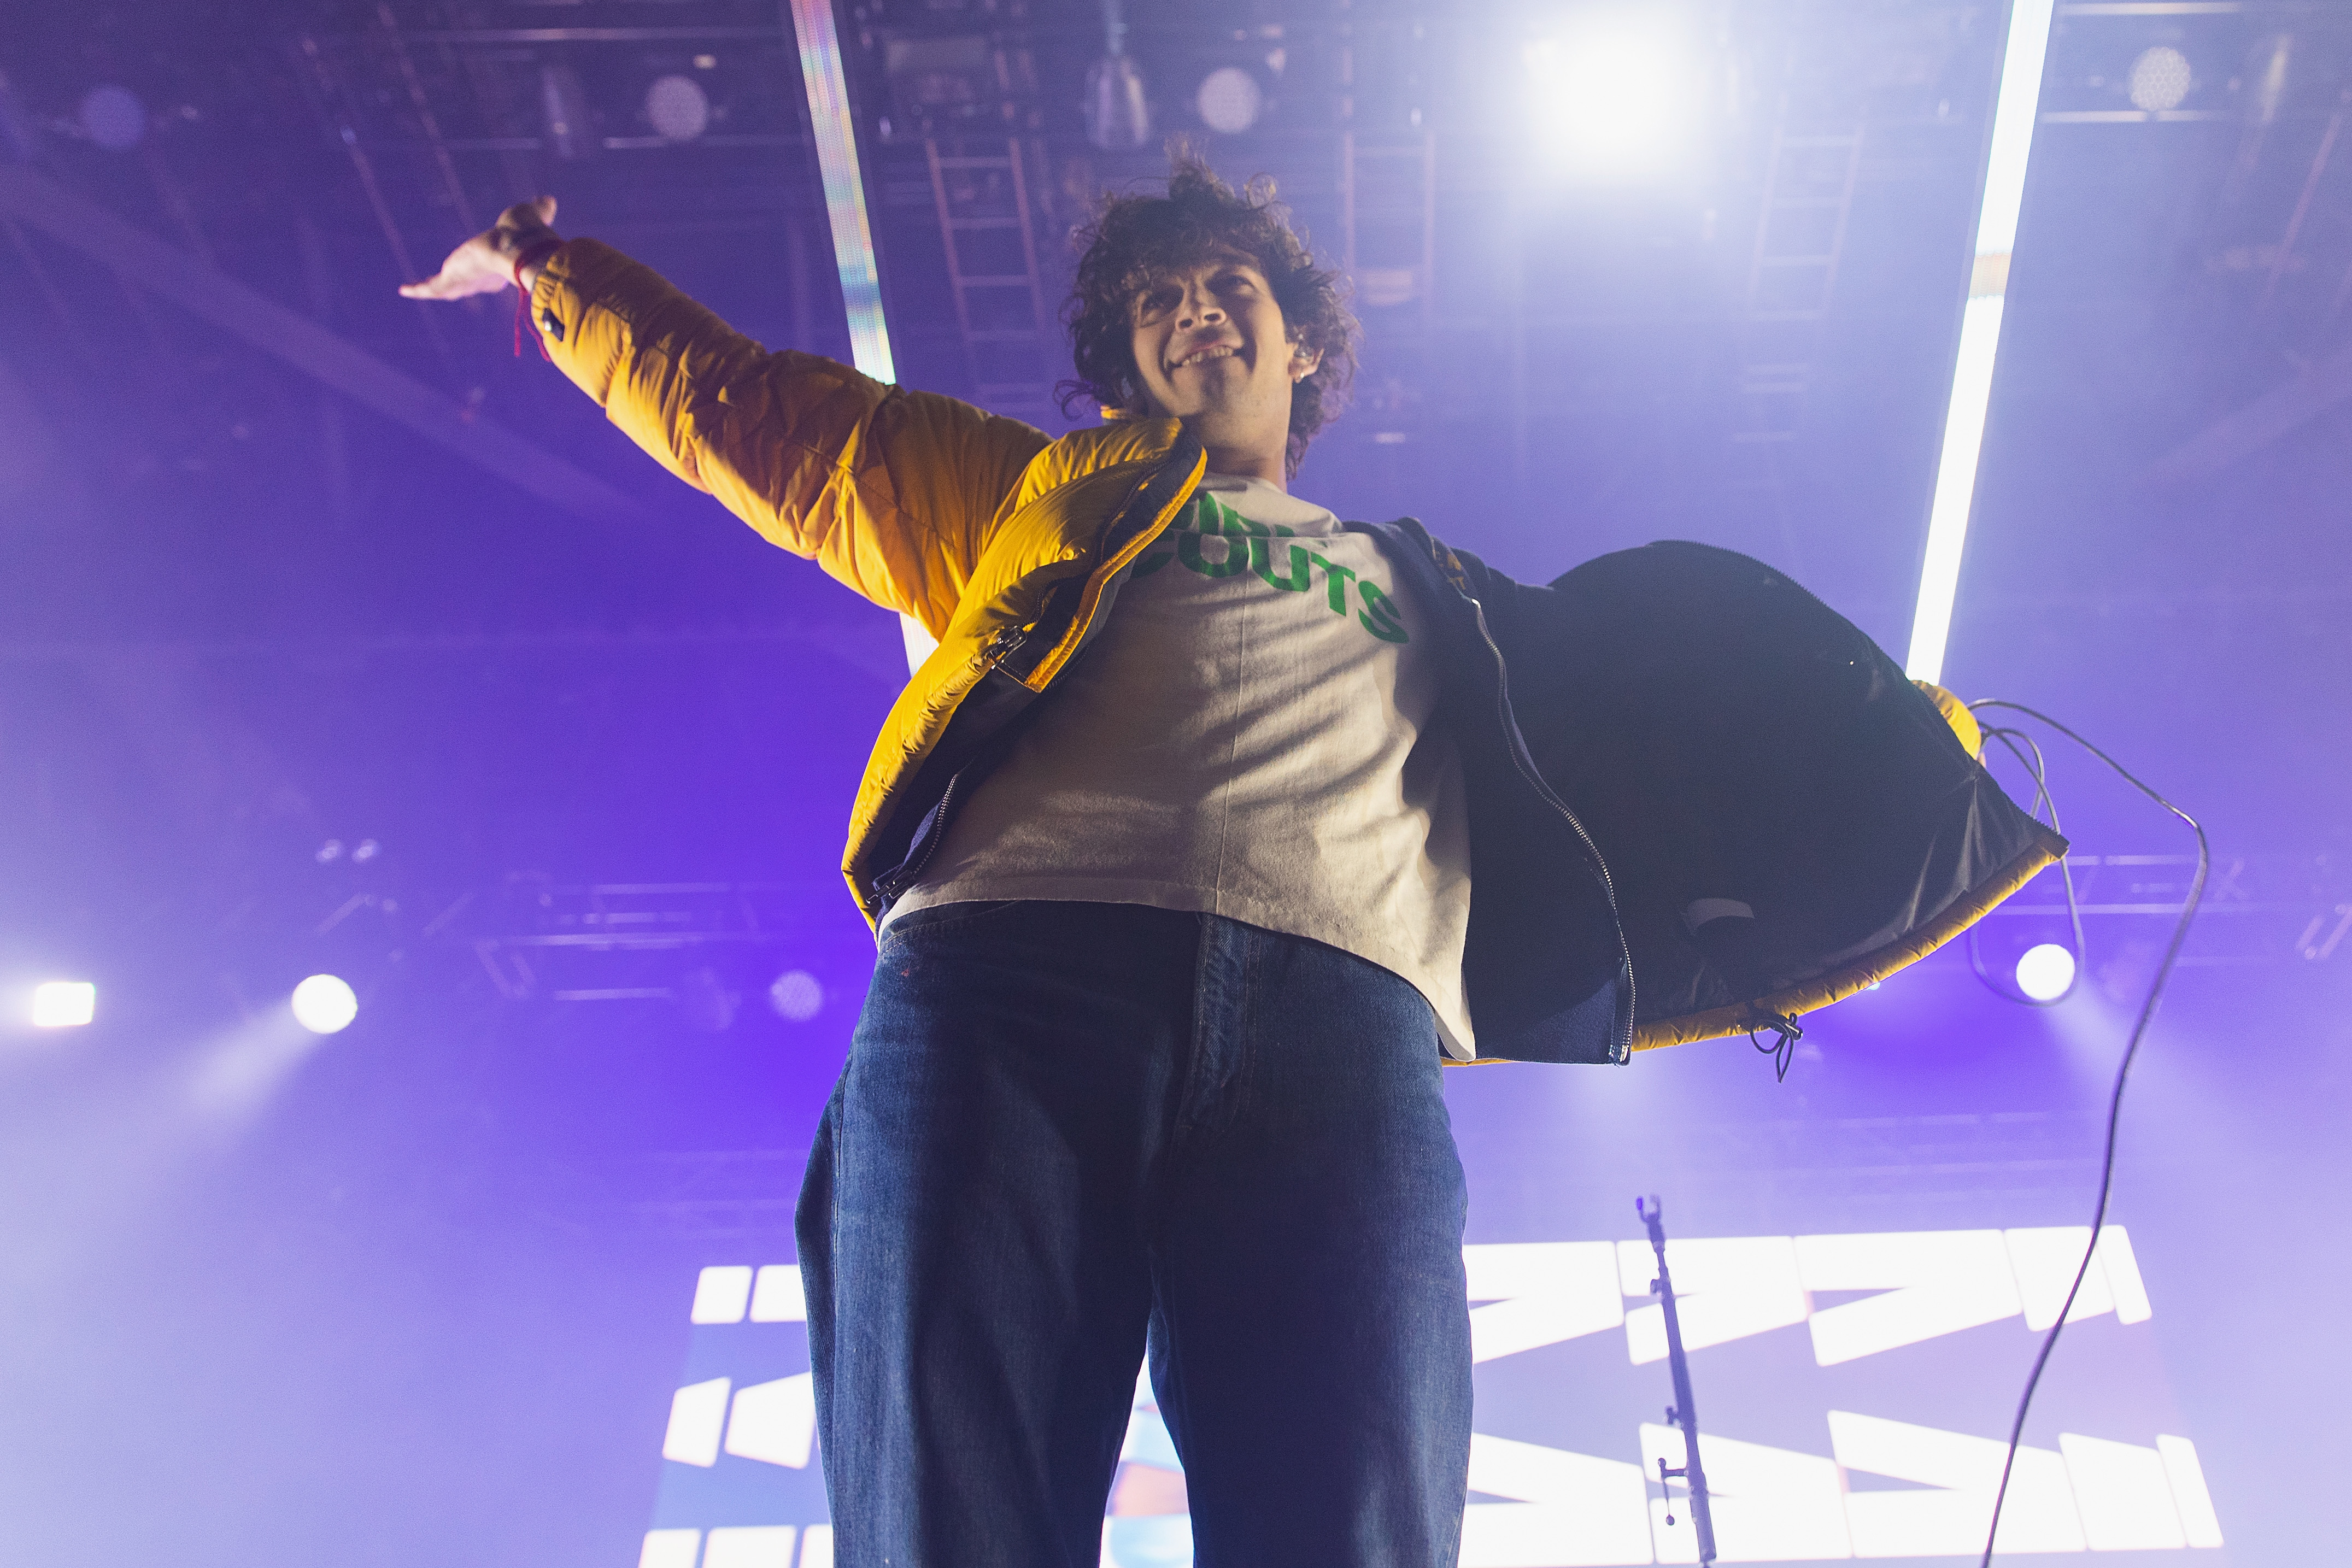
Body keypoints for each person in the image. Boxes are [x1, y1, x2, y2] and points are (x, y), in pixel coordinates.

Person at [402, 154, 2060, 1568]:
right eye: (1154, 301)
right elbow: (758, 416)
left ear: (1302, 338)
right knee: (947, 1512)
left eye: (1225, 283)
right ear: (1128, 362)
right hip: (1006, 984)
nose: (1193, 308)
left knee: (1351, 1520)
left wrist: (1914, 751)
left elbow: (1686, 722)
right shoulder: (1031, 494)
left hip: (1338, 1033)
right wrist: (558, 271)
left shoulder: (1436, 590)